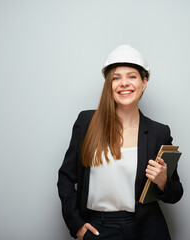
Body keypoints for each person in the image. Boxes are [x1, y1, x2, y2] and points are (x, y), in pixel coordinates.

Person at [57, 44, 183, 240]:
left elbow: (176, 194)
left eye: (132, 76)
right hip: (99, 229)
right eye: (116, 78)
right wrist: (77, 225)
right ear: (109, 84)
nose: (124, 83)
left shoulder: (159, 132)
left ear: (144, 82)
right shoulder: (87, 122)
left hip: (146, 230)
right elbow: (65, 177)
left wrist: (163, 181)